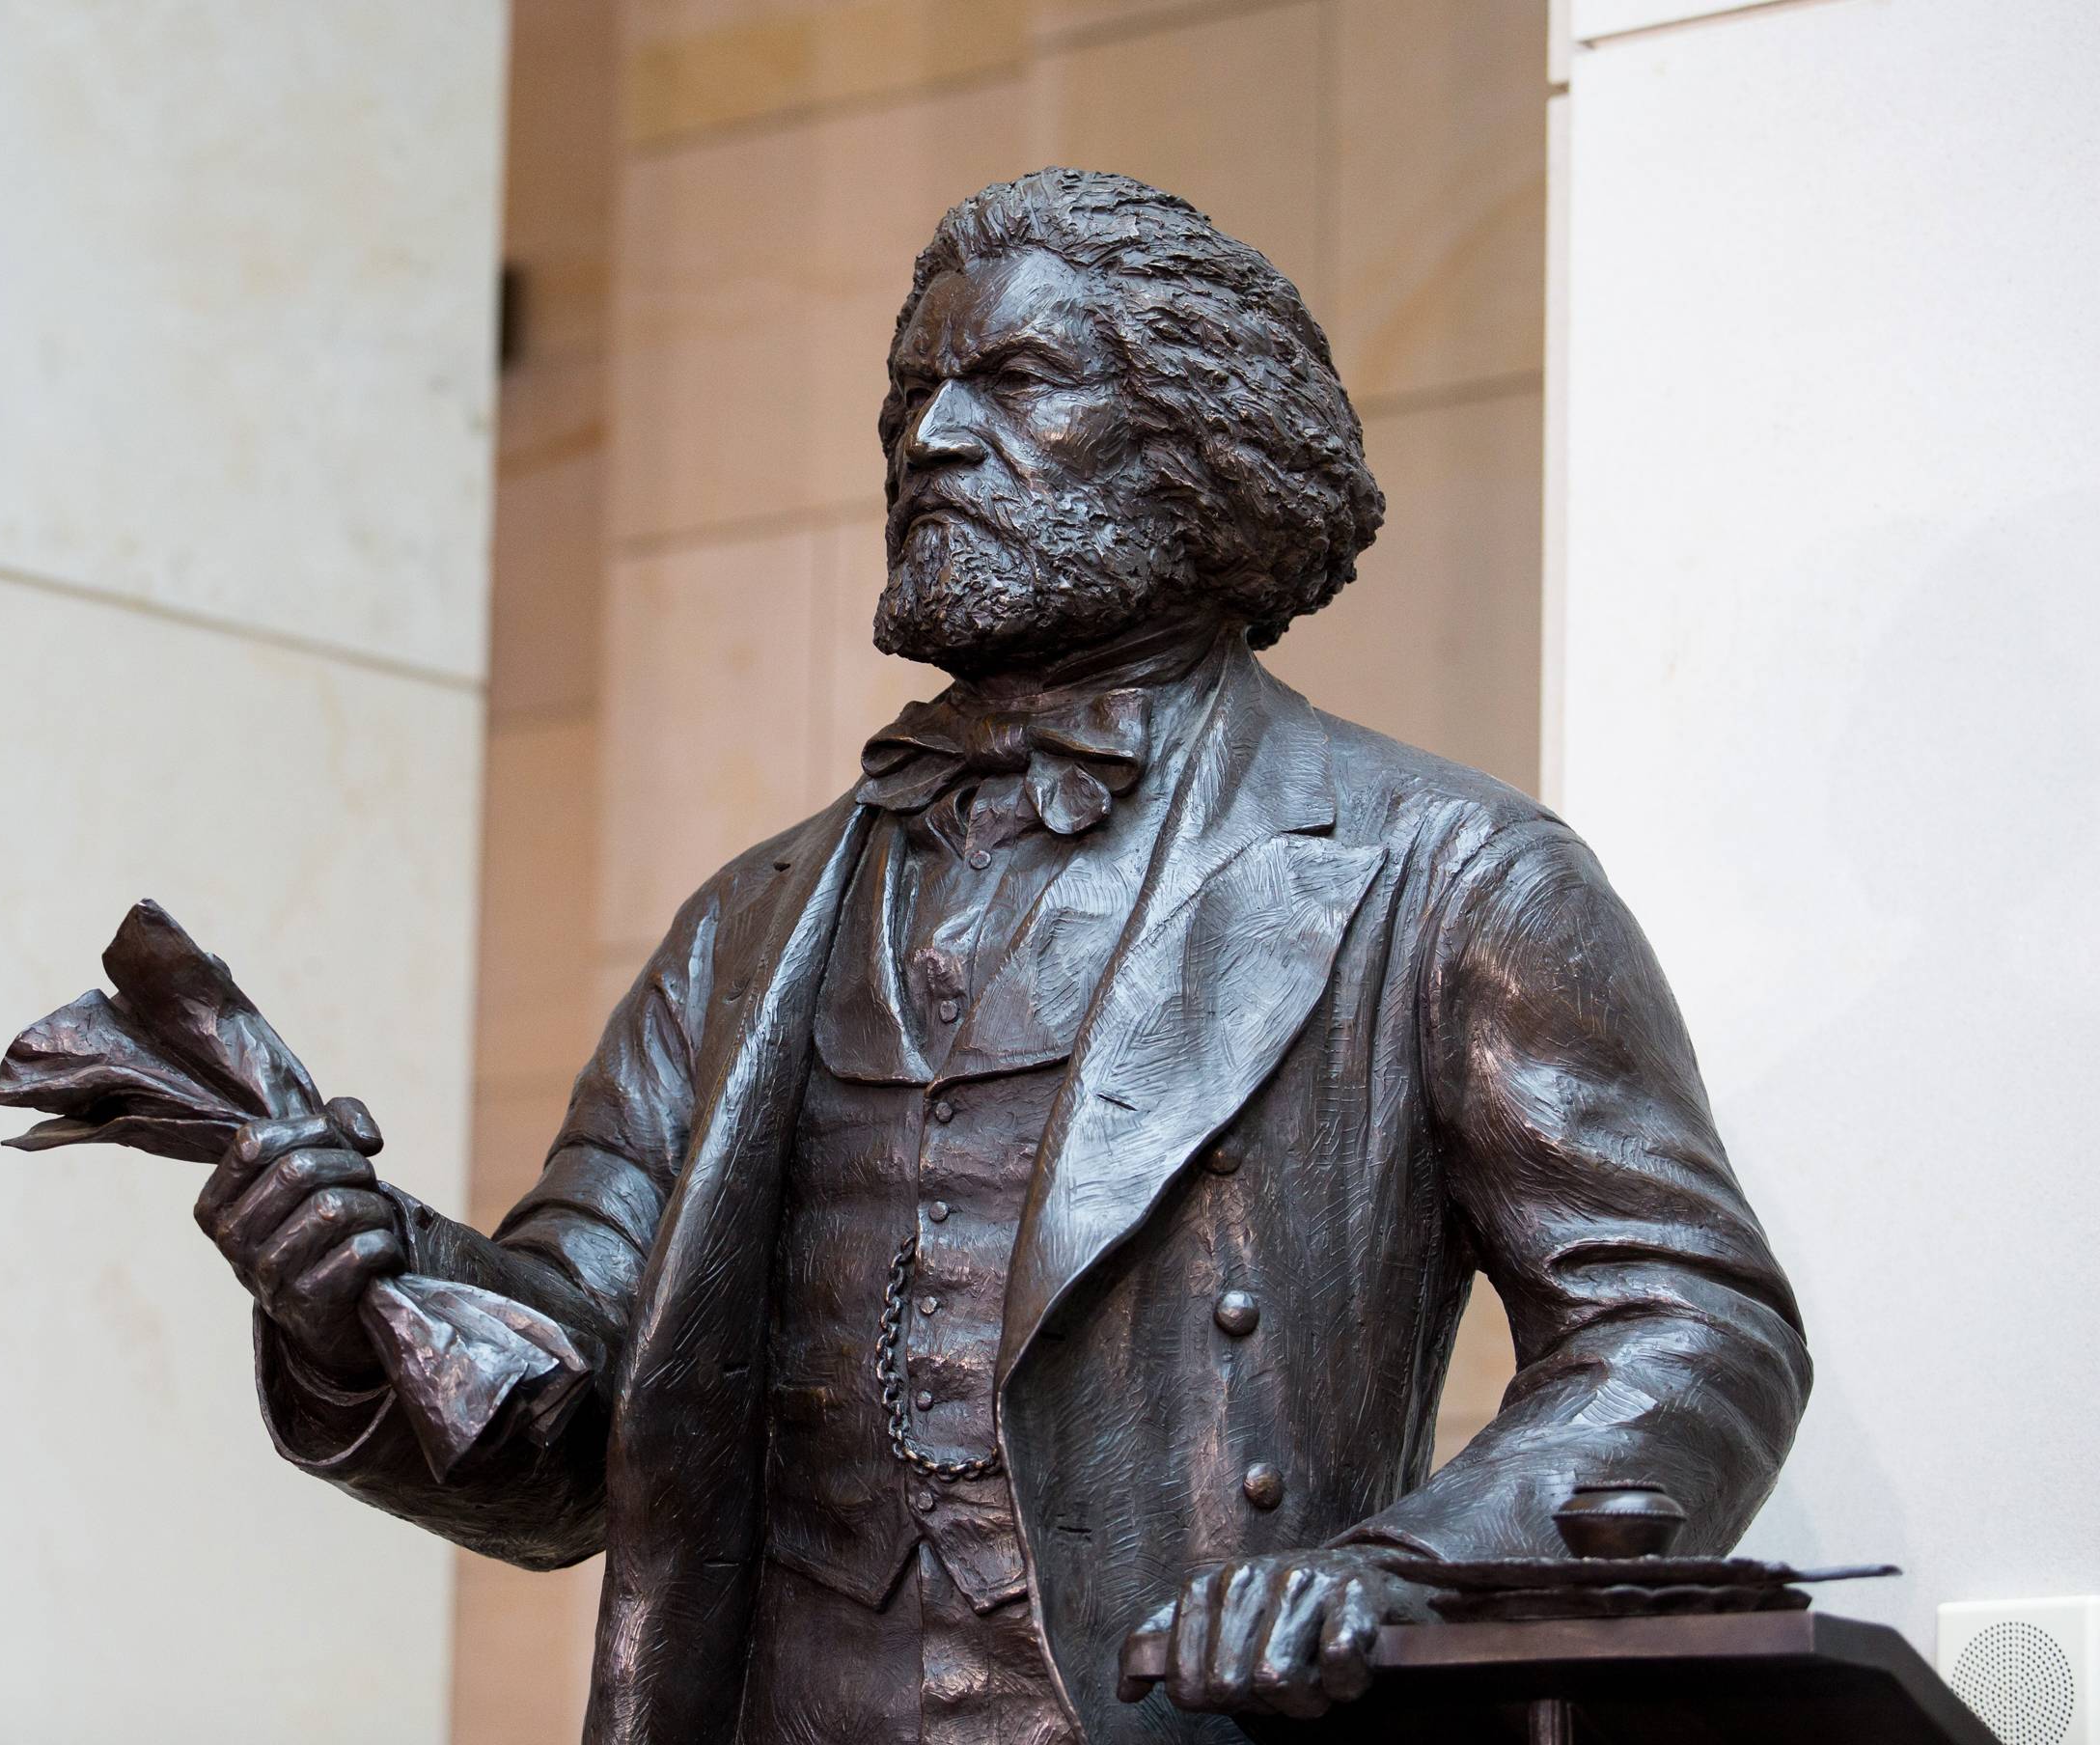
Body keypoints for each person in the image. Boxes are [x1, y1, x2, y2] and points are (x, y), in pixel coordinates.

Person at [190, 168, 1810, 1744]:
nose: (936, 439)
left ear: (1206, 444)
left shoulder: (1441, 876)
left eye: (1019, 380)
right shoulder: (748, 925)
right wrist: (361, 1299)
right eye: (912, 397)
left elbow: (1686, 1328)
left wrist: (1402, 1579)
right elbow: (577, 1433)